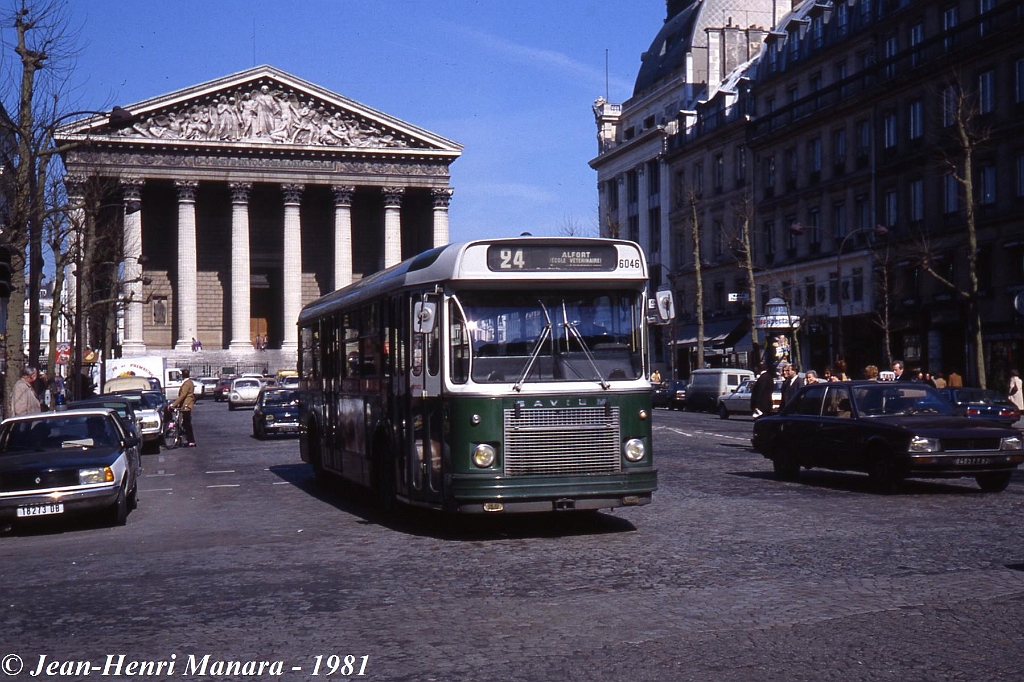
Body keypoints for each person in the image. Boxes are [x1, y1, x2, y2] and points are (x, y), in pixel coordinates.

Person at [170, 369, 197, 446]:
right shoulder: (189, 382)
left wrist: (174, 404)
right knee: (185, 423)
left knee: (187, 424)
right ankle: (186, 439)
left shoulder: (186, 384)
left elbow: (183, 395)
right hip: (187, 405)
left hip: (186, 405)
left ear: (183, 375)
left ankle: (191, 440)